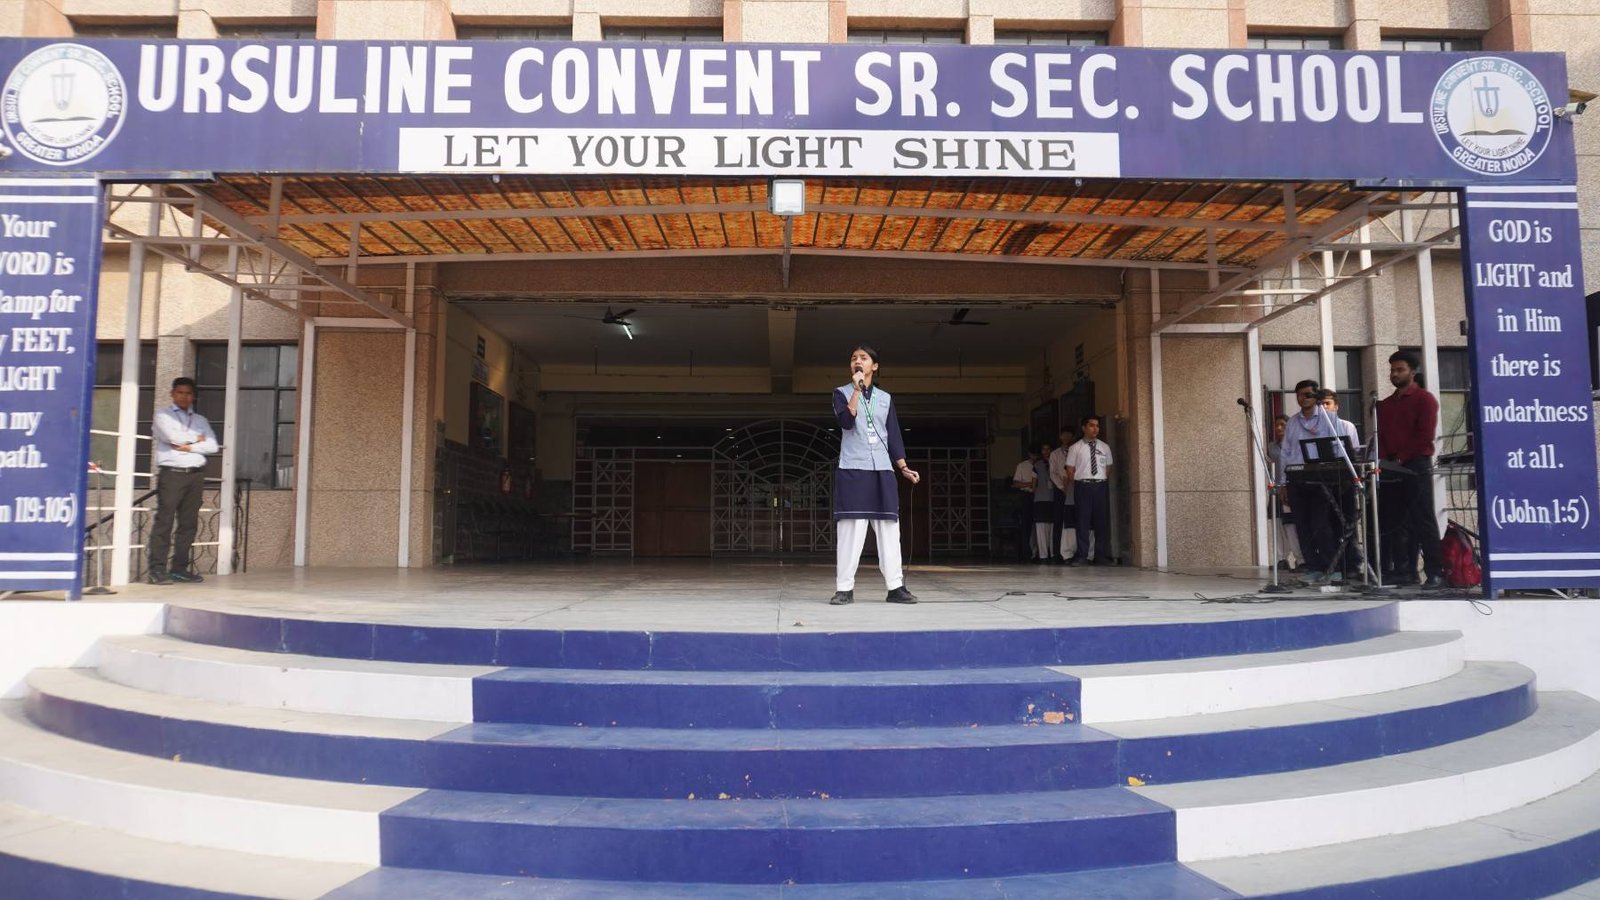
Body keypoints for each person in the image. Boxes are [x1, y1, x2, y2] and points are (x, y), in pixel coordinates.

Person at [829, 345, 922, 605]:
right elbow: (846, 422)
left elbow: (893, 434)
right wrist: (857, 390)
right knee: (851, 530)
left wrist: (903, 467)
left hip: (882, 469)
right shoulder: (841, 393)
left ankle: (895, 587)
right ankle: (844, 589)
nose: (857, 361)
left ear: (875, 366)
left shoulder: (885, 398)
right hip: (853, 469)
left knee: (889, 529)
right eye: (853, 359)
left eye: (863, 358)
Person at [1377, 350, 1445, 589]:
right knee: (1396, 521)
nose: (1394, 374)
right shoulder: (1384, 405)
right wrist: (1386, 461)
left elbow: (1424, 435)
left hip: (1416, 464)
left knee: (1423, 519)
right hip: (1392, 466)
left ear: (1412, 372)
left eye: (1400, 370)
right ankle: (1405, 571)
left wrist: (1401, 458)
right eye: (1392, 370)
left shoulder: (1425, 399)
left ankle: (1435, 572)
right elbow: (1381, 436)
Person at [148, 377, 219, 585]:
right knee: (164, 522)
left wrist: (189, 446)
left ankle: (179, 569)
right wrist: (197, 439)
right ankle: (157, 570)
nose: (183, 397)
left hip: (195, 475)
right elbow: (172, 438)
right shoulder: (162, 415)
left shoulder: (200, 420)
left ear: (193, 396)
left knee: (188, 524)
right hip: (172, 474)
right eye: (179, 392)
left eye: (188, 393)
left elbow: (213, 446)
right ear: (172, 394)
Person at [1277, 379, 1347, 584]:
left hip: (1321, 478)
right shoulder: (1292, 422)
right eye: (1299, 395)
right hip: (1296, 478)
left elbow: (1339, 448)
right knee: (1302, 525)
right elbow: (1285, 453)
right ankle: (1313, 567)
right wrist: (1282, 483)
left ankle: (1331, 567)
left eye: (1308, 394)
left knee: (1321, 523)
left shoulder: (1329, 418)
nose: (1303, 398)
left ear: (1316, 396)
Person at [1319, 389, 1365, 578]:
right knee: (1326, 524)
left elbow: (1354, 453)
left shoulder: (1347, 426)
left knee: (1347, 523)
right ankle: (1332, 565)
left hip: (1344, 481)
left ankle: (1352, 564)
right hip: (1322, 481)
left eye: (1327, 403)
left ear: (1336, 406)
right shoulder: (1315, 428)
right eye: (1321, 404)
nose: (1324, 408)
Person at [1064, 415, 1113, 565]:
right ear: (1084, 428)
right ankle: (1082, 555)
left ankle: (1100, 555)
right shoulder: (1075, 447)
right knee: (1082, 521)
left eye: (1097, 426)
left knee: (1101, 521)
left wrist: (1100, 479)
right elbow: (1070, 469)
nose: (1095, 429)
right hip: (1083, 486)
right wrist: (1079, 481)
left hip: (1100, 486)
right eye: (1091, 425)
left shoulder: (1105, 447)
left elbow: (1108, 467)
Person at [1266, 414, 1302, 571]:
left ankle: (1300, 558)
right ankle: (1281, 558)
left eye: (1283, 425)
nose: (1279, 428)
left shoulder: (1295, 445)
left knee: (1291, 525)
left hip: (1289, 489)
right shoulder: (1271, 447)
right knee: (1277, 523)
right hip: (1276, 489)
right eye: (1277, 425)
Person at [1048, 424, 1077, 564]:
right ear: (1060, 437)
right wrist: (1061, 487)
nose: (1066, 437)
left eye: (1069, 435)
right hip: (1060, 490)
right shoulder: (1055, 454)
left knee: (1074, 520)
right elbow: (1053, 473)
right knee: (1059, 519)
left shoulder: (1077, 451)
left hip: (1075, 487)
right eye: (1064, 434)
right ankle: (1057, 553)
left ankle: (1075, 552)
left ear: (1072, 436)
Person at [1010, 446, 1040, 561]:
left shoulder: (1042, 465)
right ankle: (1026, 553)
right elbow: (1016, 483)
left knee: (1039, 525)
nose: (1034, 456)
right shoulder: (1022, 466)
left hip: (1040, 496)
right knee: (1026, 526)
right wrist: (1030, 484)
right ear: (1029, 454)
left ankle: (1038, 553)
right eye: (1033, 454)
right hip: (1027, 496)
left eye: (1036, 454)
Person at [1030, 441, 1057, 563]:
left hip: (1054, 498)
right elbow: (1033, 484)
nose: (1046, 452)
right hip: (1040, 499)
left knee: (1053, 527)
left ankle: (1053, 553)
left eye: (1048, 449)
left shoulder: (1056, 463)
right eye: (1044, 449)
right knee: (1041, 528)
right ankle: (1043, 555)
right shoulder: (1037, 465)